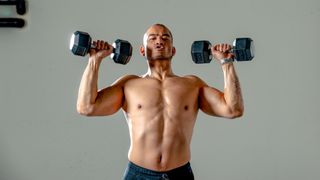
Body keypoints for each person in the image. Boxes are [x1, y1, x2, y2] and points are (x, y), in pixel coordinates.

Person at [76, 24, 244, 180]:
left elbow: (233, 109)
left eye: (165, 38)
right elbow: (87, 107)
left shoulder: (192, 85)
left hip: (180, 174)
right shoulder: (129, 84)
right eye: (152, 38)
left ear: (173, 50)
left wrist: (226, 62)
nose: (159, 41)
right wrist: (94, 60)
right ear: (143, 50)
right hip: (138, 173)